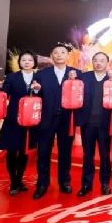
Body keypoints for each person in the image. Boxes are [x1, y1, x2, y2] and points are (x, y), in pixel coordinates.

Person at [33, 43, 79, 199]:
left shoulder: (76, 73)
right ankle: (42, 184)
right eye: (56, 52)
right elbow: (34, 94)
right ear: (51, 56)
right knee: (43, 152)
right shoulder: (41, 74)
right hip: (46, 119)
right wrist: (35, 90)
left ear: (67, 56)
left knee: (65, 152)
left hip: (67, 119)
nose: (59, 55)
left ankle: (64, 181)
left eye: (62, 52)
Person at [0, 50, 41, 195]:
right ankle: (13, 181)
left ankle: (19, 179)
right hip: (13, 119)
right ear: (19, 62)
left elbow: (44, 95)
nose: (27, 62)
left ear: (34, 63)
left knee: (24, 151)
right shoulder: (12, 77)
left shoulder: (39, 77)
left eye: (30, 60)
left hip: (30, 120)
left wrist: (37, 90)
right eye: (24, 60)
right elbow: (5, 93)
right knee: (11, 150)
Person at [75, 51, 112, 197]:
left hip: (105, 124)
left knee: (105, 155)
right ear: (92, 62)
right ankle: (86, 184)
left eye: (102, 60)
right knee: (88, 155)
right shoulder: (84, 77)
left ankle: (105, 183)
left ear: (107, 63)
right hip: (87, 124)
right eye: (96, 60)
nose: (98, 63)